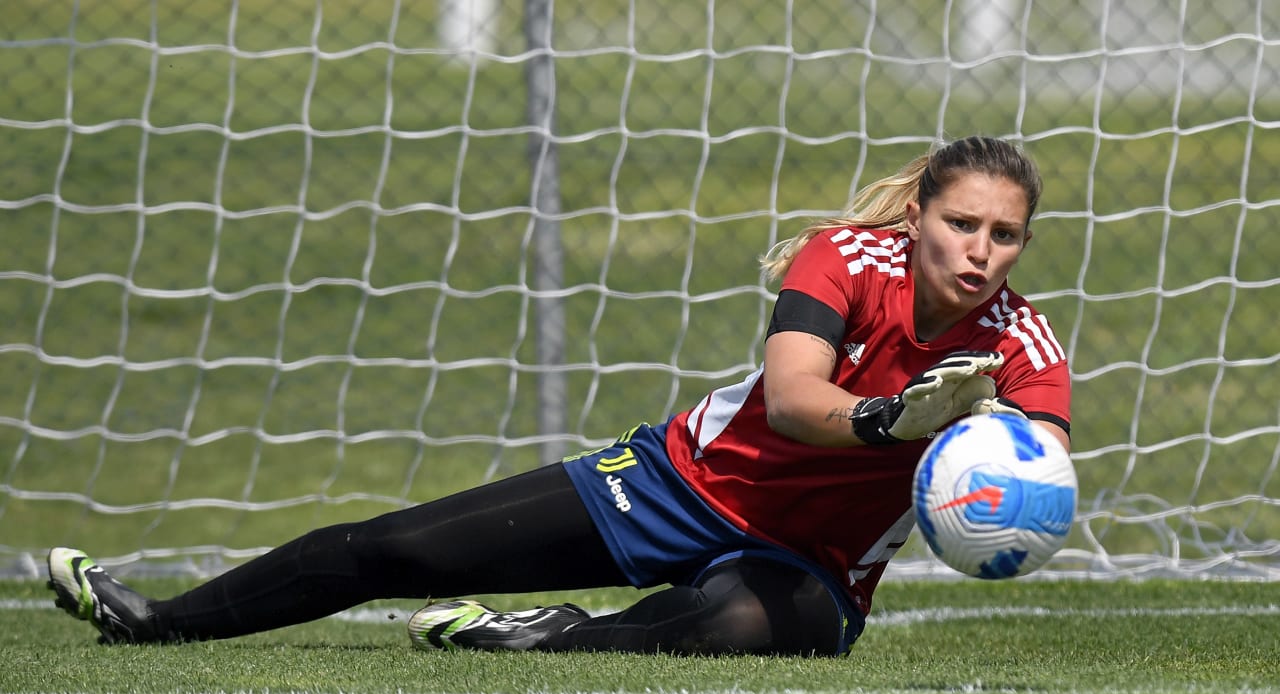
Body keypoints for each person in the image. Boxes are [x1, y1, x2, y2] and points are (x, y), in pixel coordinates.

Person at [47, 135, 1071, 657]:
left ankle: (540, 632)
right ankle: (156, 621)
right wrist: (894, 419)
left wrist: (995, 472)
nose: (978, 252)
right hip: (680, 479)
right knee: (399, 548)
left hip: (812, 564)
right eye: (961, 223)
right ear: (918, 214)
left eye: (1003, 234)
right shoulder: (840, 258)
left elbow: (1033, 473)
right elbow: (798, 395)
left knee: (722, 624)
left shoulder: (1021, 344)